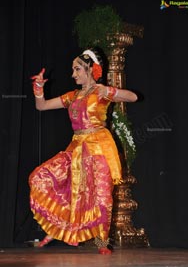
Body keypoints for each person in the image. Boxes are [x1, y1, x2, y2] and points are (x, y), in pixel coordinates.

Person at [29, 47, 138, 254]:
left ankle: (101, 242)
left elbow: (133, 97)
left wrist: (110, 91)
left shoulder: (101, 92)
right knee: (41, 178)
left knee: (103, 197)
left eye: (77, 69)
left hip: (98, 148)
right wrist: (38, 88)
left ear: (90, 69)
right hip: (76, 149)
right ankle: (58, 230)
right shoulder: (72, 96)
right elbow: (41, 106)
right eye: (73, 70)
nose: (73, 74)